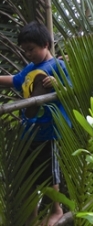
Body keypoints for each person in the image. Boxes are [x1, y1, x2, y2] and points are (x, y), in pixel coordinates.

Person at [0, 21, 71, 226]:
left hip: (49, 131)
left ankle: (56, 210)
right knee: (28, 176)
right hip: (29, 132)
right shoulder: (30, 68)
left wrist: (58, 85)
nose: (28, 54)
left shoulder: (58, 66)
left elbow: (73, 91)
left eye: (31, 49)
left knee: (51, 174)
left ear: (46, 44)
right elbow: (15, 80)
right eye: (25, 50)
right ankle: (33, 215)